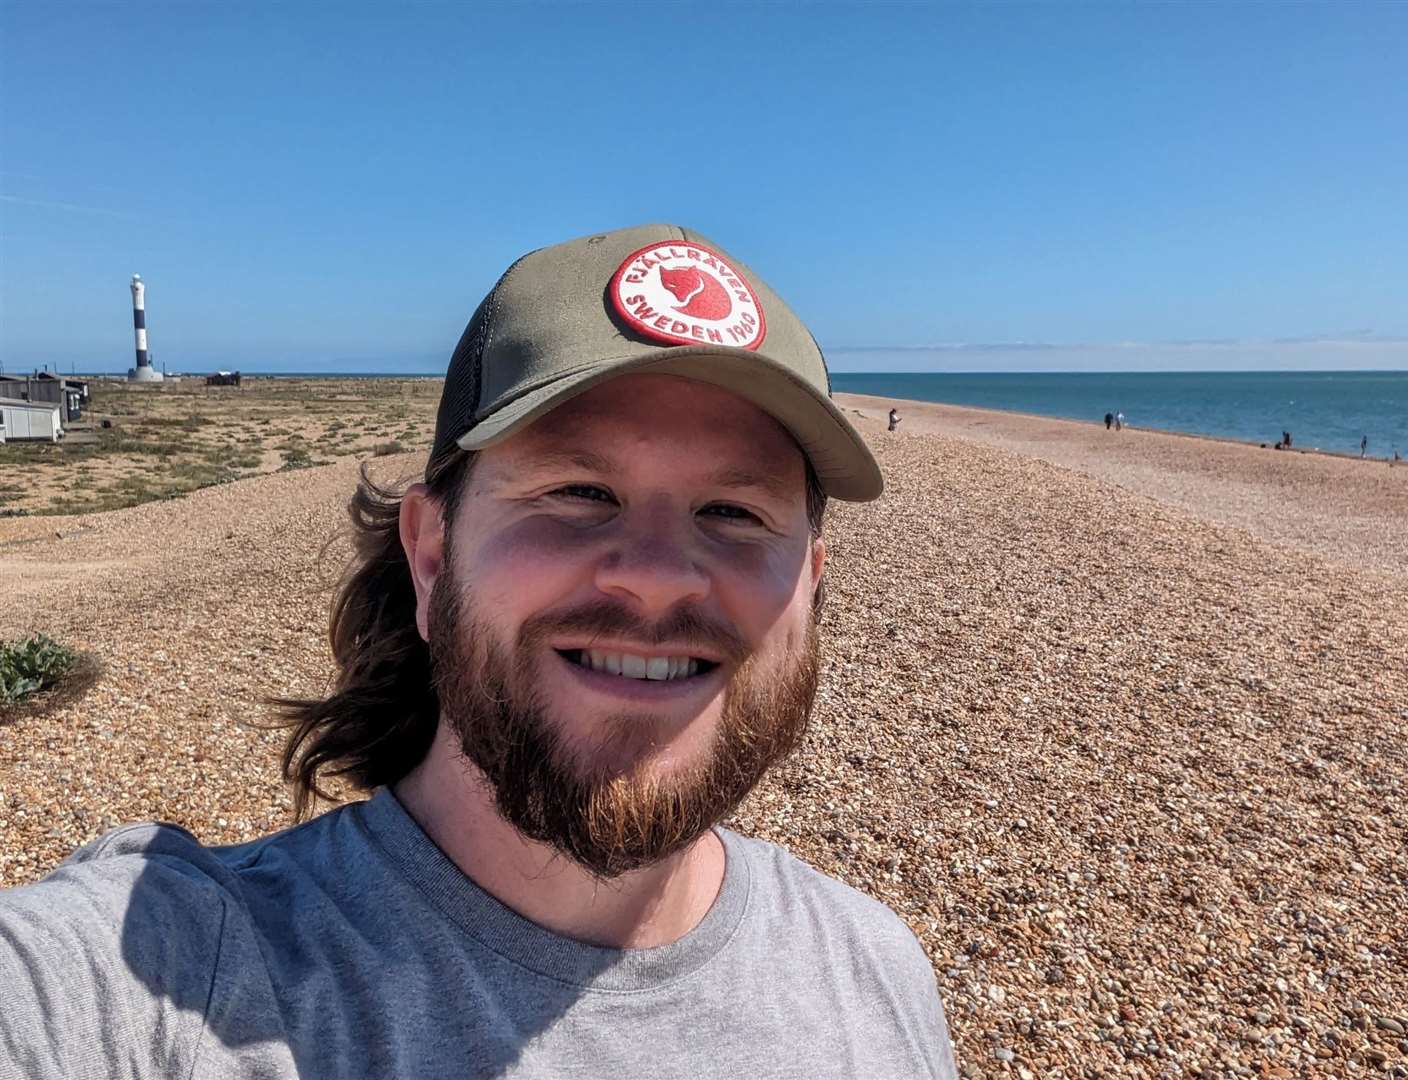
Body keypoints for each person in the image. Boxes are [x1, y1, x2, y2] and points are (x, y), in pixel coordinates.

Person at [0, 225, 958, 1078]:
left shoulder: (877, 972)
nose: (661, 576)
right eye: (579, 491)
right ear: (428, 556)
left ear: (812, 583)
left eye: (733, 511)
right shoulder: (173, 979)